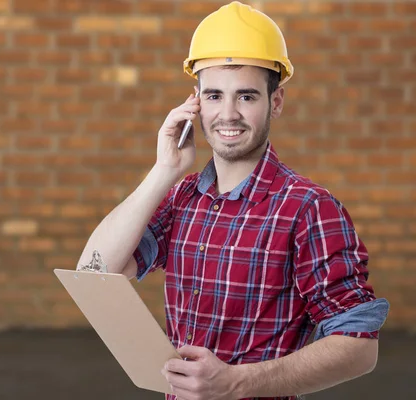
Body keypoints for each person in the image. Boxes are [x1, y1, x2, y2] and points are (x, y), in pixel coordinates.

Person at [76, 2, 389, 399]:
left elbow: (359, 346)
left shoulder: (308, 208)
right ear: (196, 103)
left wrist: (236, 383)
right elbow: (93, 274)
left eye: (246, 97)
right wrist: (163, 171)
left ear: (275, 102)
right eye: (213, 96)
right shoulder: (181, 198)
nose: (228, 114)